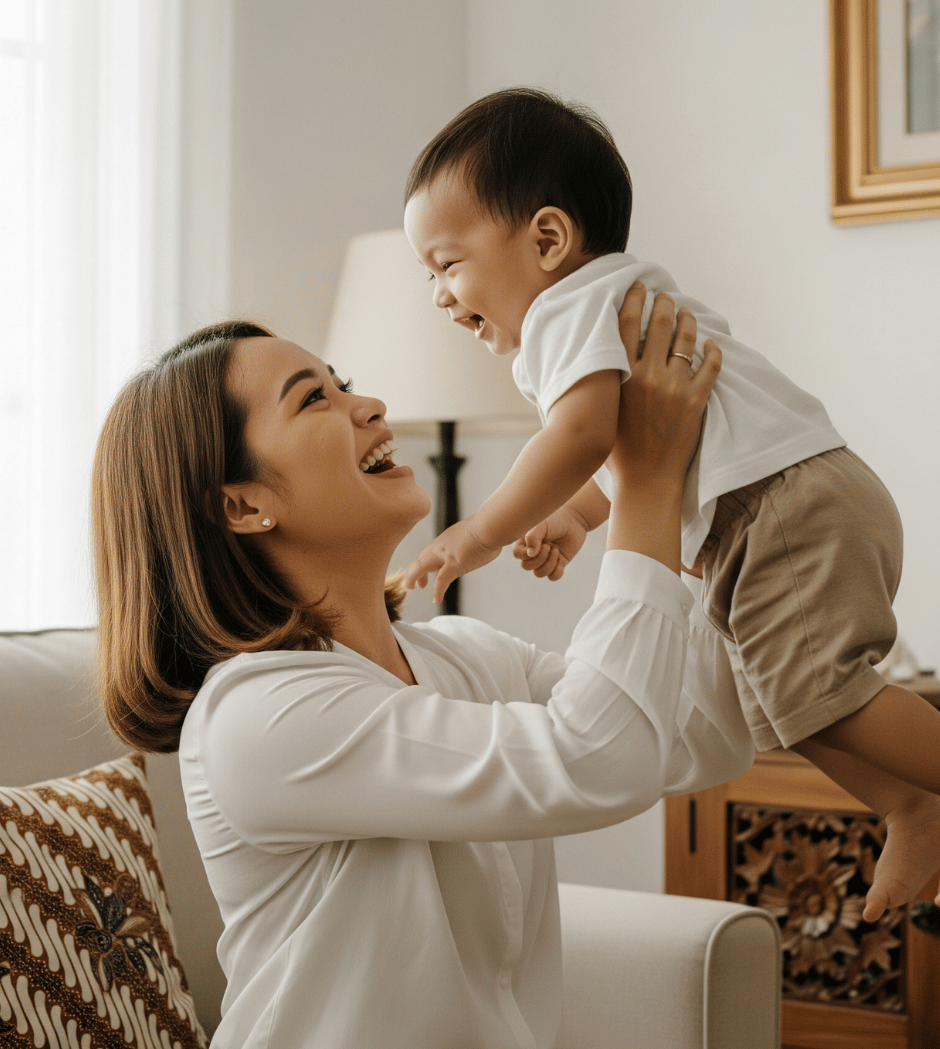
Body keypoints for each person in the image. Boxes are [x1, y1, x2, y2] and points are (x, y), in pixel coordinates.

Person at [402, 87, 940, 923]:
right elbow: (631, 449)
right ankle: (909, 804)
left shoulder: (566, 310)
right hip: (780, 504)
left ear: (548, 238)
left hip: (783, 506)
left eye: (448, 264)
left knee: (814, 685)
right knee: (784, 704)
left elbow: (584, 434)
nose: (440, 295)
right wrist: (576, 516)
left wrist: (481, 531)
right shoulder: (606, 303)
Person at [91, 288, 753, 1047]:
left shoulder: (465, 656)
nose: (369, 405)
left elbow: (700, 734)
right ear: (241, 507)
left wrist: (696, 506)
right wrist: (646, 484)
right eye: (315, 400)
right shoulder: (256, 715)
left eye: (342, 382)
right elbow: (596, 759)